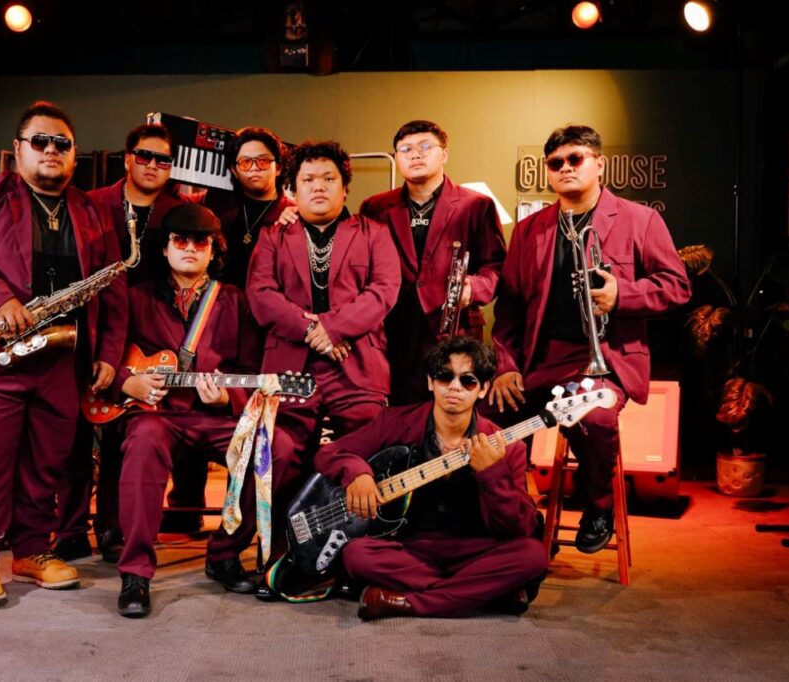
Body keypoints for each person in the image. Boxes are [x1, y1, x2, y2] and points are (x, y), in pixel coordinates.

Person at [0, 100, 127, 608]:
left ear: (75, 155)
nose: (50, 150)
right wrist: (1, 301)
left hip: (60, 355)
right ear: (18, 149)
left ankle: (32, 551)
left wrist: (108, 352)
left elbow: (111, 288)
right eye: (39, 141)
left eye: (62, 143)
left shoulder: (91, 209)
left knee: (48, 462)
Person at [488, 124, 691, 553]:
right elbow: (509, 308)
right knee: (489, 417)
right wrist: (506, 367)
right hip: (542, 360)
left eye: (575, 158)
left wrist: (623, 295)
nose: (566, 168)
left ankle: (598, 507)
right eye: (556, 163)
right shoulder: (529, 230)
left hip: (606, 362)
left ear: (599, 164)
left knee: (596, 418)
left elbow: (677, 286)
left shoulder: (640, 219)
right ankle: (520, 518)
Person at [53, 123, 208, 564]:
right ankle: (70, 529)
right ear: (127, 158)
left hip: (150, 335)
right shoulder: (90, 202)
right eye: (144, 155)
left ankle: (113, 528)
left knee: (127, 432)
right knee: (76, 435)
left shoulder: (180, 211)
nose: (153, 165)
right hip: (90, 328)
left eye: (163, 159)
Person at [314, 336, 548, 620]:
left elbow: (519, 528)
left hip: (475, 549)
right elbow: (331, 452)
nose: (454, 387)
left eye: (468, 381)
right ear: (430, 382)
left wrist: (492, 471)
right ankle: (486, 592)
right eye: (444, 377)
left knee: (533, 555)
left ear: (484, 389)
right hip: (410, 550)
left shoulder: (508, 447)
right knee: (356, 555)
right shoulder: (394, 422)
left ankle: (406, 602)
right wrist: (357, 473)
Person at [114, 203, 268, 618]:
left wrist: (227, 398)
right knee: (143, 442)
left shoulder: (236, 300)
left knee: (265, 448)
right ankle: (135, 573)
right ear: (164, 248)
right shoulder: (135, 297)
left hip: (215, 417)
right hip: (157, 416)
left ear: (212, 250)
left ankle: (224, 554)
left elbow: (250, 370)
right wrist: (128, 382)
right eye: (179, 240)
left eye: (200, 242)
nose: (189, 248)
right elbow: (108, 357)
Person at [246, 140, 401, 549]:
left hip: (357, 366)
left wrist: (332, 328)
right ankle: (275, 548)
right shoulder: (272, 237)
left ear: (345, 188)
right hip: (289, 368)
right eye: (308, 179)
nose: (319, 186)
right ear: (292, 190)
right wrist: (311, 330)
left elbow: (383, 291)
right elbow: (260, 294)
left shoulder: (374, 234)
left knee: (370, 449)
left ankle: (362, 549)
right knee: (278, 451)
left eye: (329, 179)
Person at [360, 120, 508, 405]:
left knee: (456, 415)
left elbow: (497, 266)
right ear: (397, 157)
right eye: (405, 149)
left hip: (455, 330)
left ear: (444, 154)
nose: (415, 154)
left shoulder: (476, 205)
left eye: (425, 146)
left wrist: (473, 288)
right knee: (399, 418)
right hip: (393, 332)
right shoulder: (375, 207)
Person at [206, 126, 296, 288]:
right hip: (221, 298)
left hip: (266, 299)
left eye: (263, 161)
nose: (254, 168)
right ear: (234, 171)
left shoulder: (292, 213)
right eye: (245, 162)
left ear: (278, 168)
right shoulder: (218, 202)